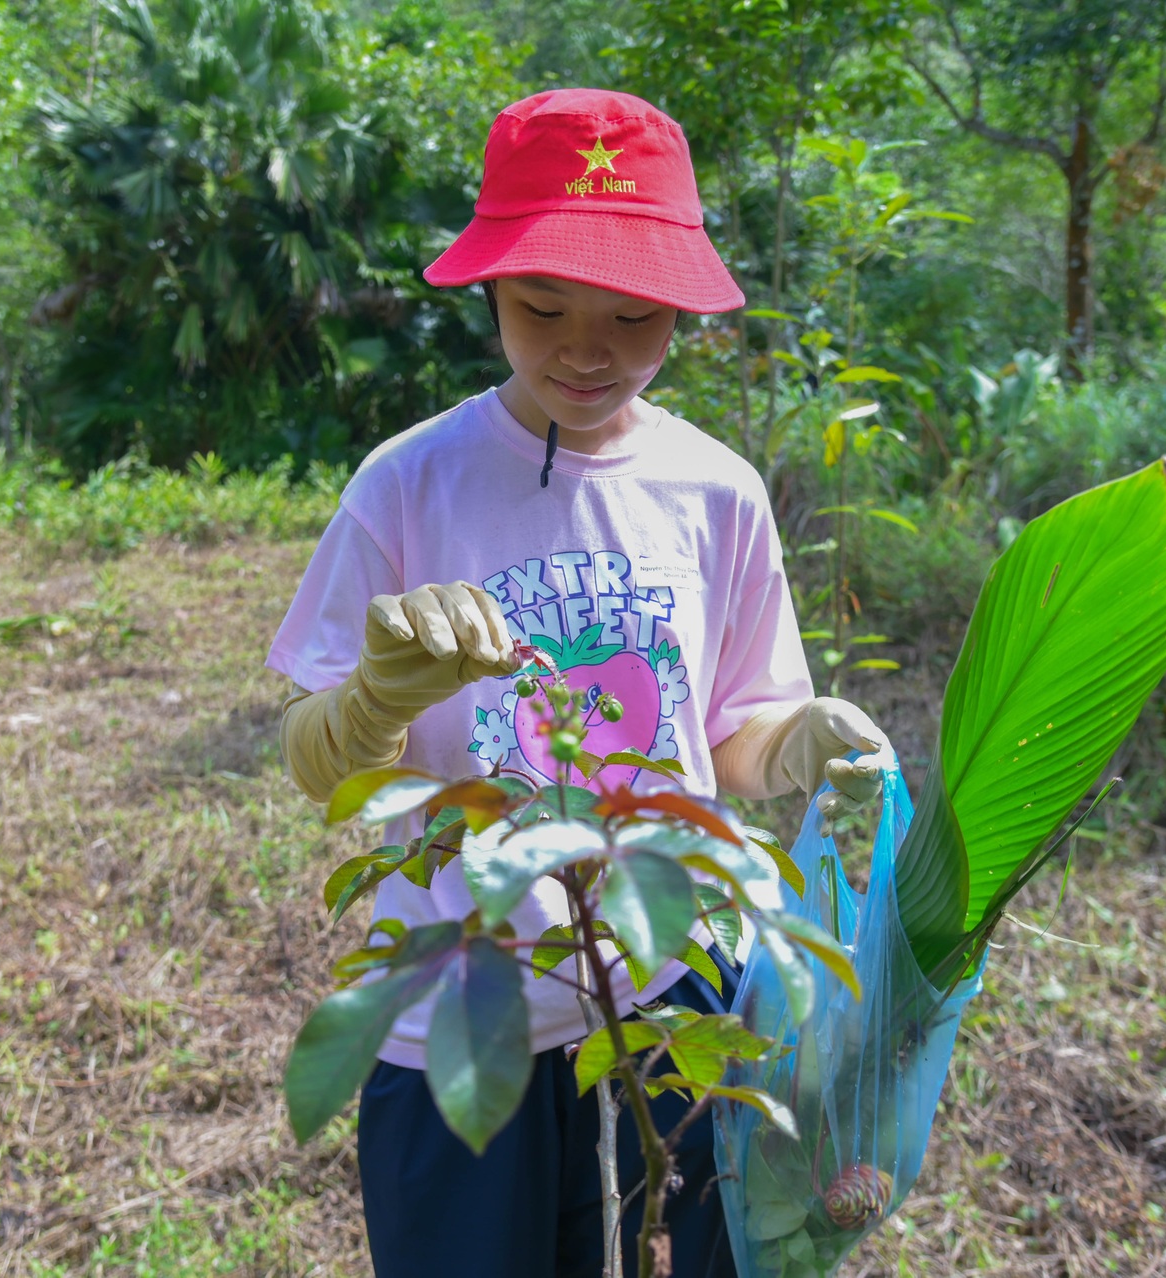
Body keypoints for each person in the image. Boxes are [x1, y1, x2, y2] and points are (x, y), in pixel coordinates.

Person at [267, 88, 893, 1278]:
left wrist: (796, 737)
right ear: (491, 288)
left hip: (679, 996)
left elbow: (735, 740)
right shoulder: (409, 486)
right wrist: (374, 702)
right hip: (464, 1010)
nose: (588, 350)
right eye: (543, 306)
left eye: (634, 315)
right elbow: (317, 759)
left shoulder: (717, 493)